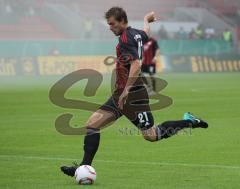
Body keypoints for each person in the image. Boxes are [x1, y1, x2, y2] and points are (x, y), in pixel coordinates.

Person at [61, 7, 208, 177]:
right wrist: (146, 19)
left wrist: (127, 90)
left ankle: (189, 122)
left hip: (133, 95)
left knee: (152, 135)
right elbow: (145, 32)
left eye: (112, 24)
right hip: (121, 94)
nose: (110, 27)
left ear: (123, 21)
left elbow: (136, 65)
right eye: (109, 24)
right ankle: (83, 168)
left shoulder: (125, 39)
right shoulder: (136, 33)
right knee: (93, 124)